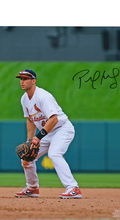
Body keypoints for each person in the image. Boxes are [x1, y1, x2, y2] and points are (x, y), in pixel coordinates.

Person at [14, 69, 82, 199]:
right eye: (20, 79)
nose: (22, 82)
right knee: (26, 157)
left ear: (33, 81)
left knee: (54, 154)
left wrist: (37, 138)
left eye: (25, 79)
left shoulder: (42, 96)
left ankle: (73, 188)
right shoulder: (24, 99)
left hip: (62, 128)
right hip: (47, 133)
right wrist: (30, 140)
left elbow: (54, 119)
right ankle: (32, 188)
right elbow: (30, 119)